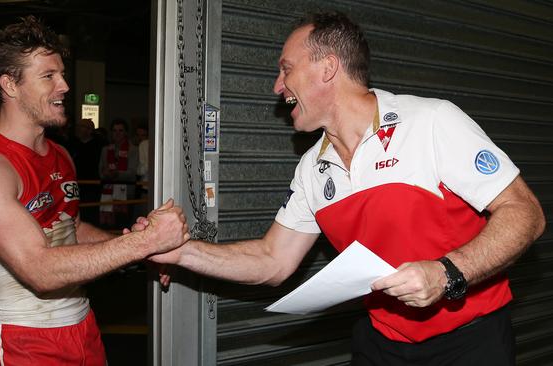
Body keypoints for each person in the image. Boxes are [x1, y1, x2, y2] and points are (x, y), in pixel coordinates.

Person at [151, 11, 546, 366]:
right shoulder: (311, 168)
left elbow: (525, 212)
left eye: (286, 69)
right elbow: (272, 260)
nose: (277, 86)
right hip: (382, 343)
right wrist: (182, 252)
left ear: (327, 68)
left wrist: (447, 274)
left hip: (469, 344)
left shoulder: (431, 122)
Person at [0, 16, 189, 365]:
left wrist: (138, 251)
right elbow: (39, 270)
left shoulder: (60, 154)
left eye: (61, 74)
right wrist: (145, 242)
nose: (64, 85)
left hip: (83, 326)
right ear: (10, 85)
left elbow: (72, 229)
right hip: (25, 340)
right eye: (48, 76)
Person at [99, 118, 138, 228]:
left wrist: (116, 174)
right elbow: (100, 172)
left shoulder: (133, 150)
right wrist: (106, 173)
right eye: (115, 130)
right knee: (108, 227)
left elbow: (132, 173)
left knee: (124, 226)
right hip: (107, 194)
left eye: (120, 130)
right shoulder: (105, 150)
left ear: (125, 132)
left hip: (126, 194)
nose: (117, 133)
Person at [68, 118, 103, 224]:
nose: (78, 129)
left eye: (81, 127)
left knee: (91, 213)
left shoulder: (99, 145)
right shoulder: (71, 143)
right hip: (75, 185)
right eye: (77, 126)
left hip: (92, 186)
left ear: (89, 130)